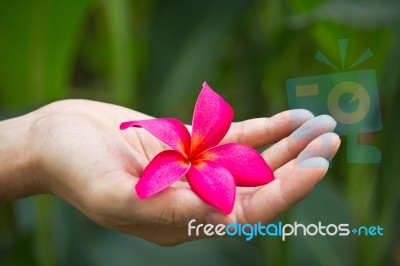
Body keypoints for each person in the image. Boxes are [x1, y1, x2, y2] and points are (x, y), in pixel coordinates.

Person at [0, 100, 340, 246]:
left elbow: (250, 173)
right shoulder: (178, 152)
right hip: (184, 158)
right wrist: (36, 143)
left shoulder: (207, 155)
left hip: (200, 159)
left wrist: (34, 142)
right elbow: (151, 184)